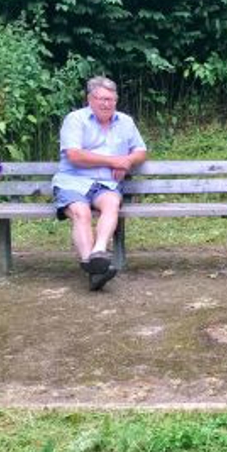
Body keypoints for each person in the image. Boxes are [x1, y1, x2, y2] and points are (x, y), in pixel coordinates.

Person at [51, 76, 147, 291]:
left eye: (111, 99)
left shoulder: (125, 121)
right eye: (102, 99)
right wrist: (114, 161)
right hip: (72, 182)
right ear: (90, 99)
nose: (107, 104)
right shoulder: (75, 120)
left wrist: (128, 162)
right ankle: (94, 268)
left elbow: (141, 151)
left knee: (112, 203)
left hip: (106, 184)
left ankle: (98, 253)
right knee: (81, 213)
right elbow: (74, 156)